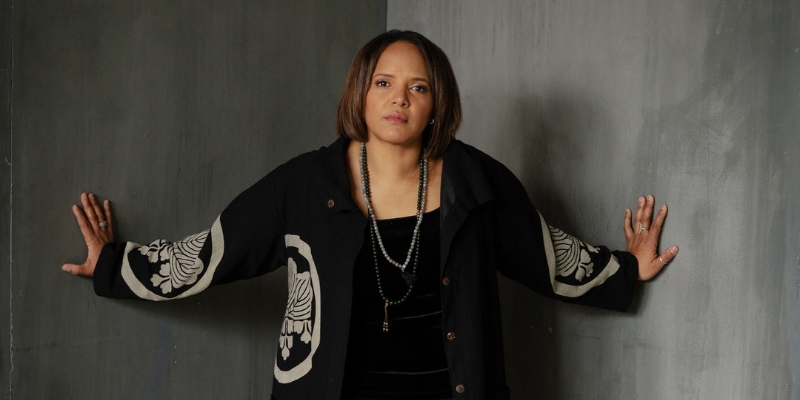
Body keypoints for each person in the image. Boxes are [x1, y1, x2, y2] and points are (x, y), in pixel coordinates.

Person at [63, 30, 678, 400]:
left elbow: (544, 256)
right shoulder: (307, 183)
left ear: (438, 103)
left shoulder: (475, 181)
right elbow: (215, 252)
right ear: (361, 92)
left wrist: (627, 269)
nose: (398, 99)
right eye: (384, 83)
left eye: (418, 87)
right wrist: (114, 265)